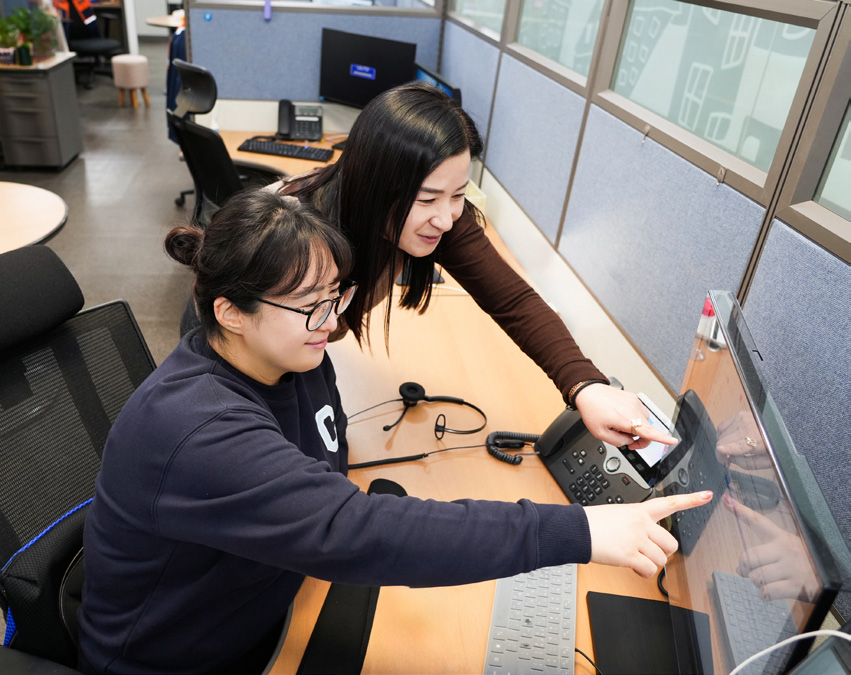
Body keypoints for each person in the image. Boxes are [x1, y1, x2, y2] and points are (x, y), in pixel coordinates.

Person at [82, 188, 712, 674]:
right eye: (309, 305)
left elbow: (329, 479)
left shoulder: (293, 353)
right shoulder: (201, 430)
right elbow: (350, 530)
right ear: (230, 313)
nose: (330, 322)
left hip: (261, 595)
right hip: (182, 657)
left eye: (337, 296)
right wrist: (579, 531)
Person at [181, 82, 674, 453]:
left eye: (459, 194)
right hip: (239, 351)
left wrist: (584, 385)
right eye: (428, 198)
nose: (447, 216)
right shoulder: (307, 235)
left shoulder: (437, 220)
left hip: (293, 355)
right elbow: (258, 346)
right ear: (378, 186)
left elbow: (514, 300)